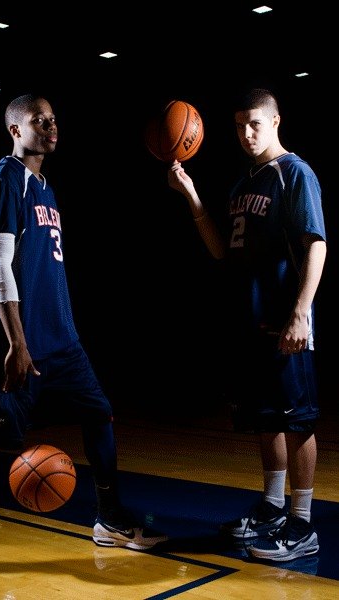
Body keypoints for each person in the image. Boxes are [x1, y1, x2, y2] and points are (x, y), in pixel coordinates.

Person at [0, 93, 167, 581]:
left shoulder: (44, 186)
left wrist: (55, 330)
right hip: (1, 333)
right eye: (39, 120)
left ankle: (108, 517)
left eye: (54, 118)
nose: (51, 125)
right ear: (15, 130)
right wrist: (17, 343)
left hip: (57, 335)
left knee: (98, 412)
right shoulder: (5, 179)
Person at [167, 88, 326, 562]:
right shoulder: (242, 184)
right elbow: (220, 251)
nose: (246, 133)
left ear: (277, 121)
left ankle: (302, 524)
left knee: (296, 419)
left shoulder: (293, 173)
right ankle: (273, 508)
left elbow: (316, 244)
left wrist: (301, 311)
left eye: (255, 123)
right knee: (266, 418)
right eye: (239, 126)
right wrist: (193, 196)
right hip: (251, 318)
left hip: (285, 318)